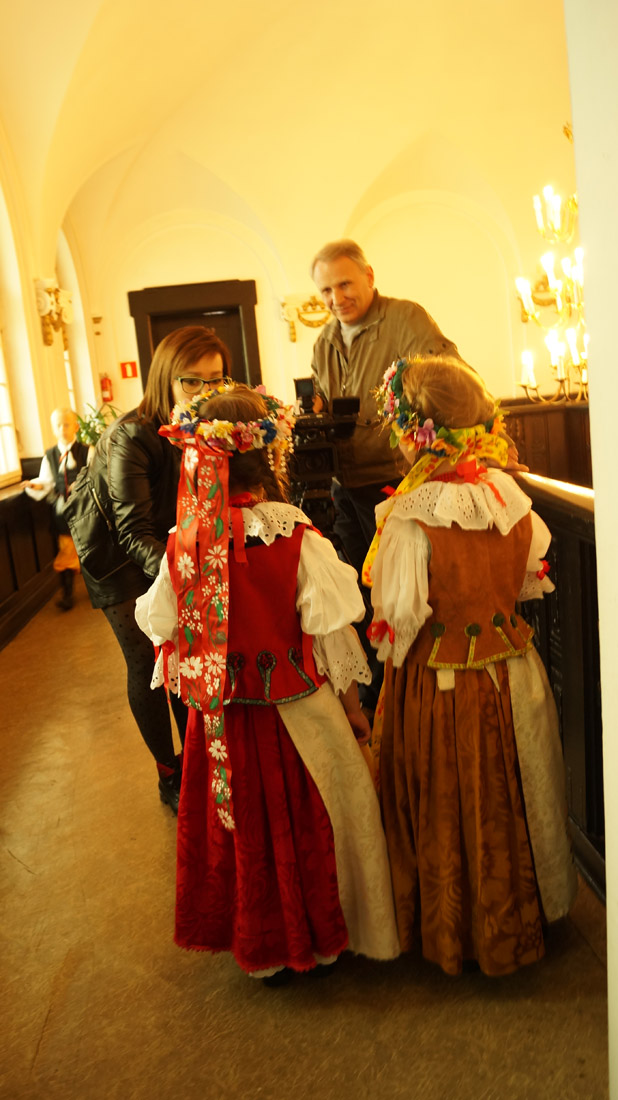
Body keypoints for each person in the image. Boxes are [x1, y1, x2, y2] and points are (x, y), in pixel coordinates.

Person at [135, 382, 399, 984]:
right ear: (270, 454)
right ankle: (321, 935)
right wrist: (353, 708)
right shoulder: (296, 536)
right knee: (309, 817)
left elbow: (164, 630)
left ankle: (262, 944)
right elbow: (331, 636)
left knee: (247, 828)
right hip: (298, 710)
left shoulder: (185, 544)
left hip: (222, 718)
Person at [363, 354, 577, 977]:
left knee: (456, 798)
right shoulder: (510, 498)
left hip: (442, 686)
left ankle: (460, 929)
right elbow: (527, 583)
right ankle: (522, 911)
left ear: (412, 432)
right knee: (516, 792)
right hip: (515, 673)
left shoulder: (411, 518)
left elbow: (399, 622)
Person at [69, 326, 230, 813]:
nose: (205, 393)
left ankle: (195, 760)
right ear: (165, 378)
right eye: (192, 381)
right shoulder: (132, 435)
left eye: (216, 380)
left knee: (179, 650)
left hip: (162, 538)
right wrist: (184, 582)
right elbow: (132, 530)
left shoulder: (208, 424)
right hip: (112, 551)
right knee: (145, 657)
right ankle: (168, 771)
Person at [310, 239, 464, 711]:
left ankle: (411, 692)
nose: (336, 298)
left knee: (403, 595)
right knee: (360, 592)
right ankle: (378, 694)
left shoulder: (406, 318)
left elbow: (448, 379)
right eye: (326, 291)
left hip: (396, 482)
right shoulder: (323, 341)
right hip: (344, 487)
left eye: (344, 284)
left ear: (369, 276)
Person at [23, 407, 90, 610]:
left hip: (86, 509)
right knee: (66, 548)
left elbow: (96, 476)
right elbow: (46, 481)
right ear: (53, 429)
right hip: (63, 511)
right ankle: (67, 593)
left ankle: (98, 588)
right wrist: (34, 485)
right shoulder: (51, 455)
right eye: (58, 425)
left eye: (66, 424)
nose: (62, 429)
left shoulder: (87, 451)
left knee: (90, 548)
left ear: (76, 427)